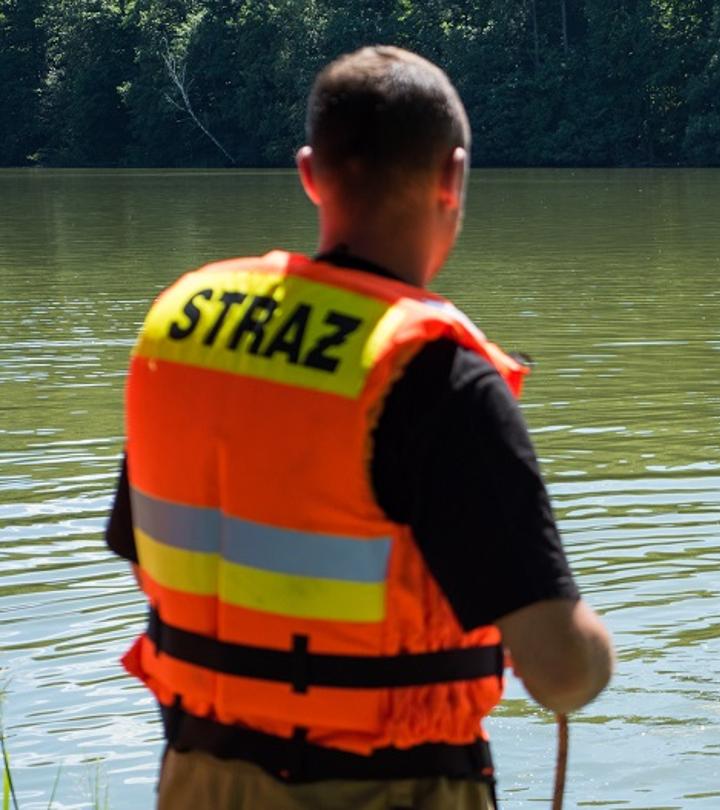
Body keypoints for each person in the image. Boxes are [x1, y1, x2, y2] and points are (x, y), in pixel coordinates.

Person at [103, 46, 614, 809]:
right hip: (385, 789)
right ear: (453, 177)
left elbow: (143, 543)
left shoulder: (186, 326)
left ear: (309, 173)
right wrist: (594, 649)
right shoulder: (436, 377)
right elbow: (562, 674)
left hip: (196, 777)